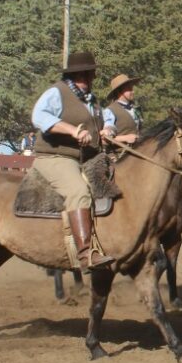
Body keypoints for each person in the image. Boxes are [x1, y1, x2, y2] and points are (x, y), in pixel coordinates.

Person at [30, 51, 117, 272]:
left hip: (87, 159)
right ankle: (86, 254)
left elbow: (108, 118)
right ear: (73, 75)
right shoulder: (57, 93)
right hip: (56, 156)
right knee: (78, 191)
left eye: (89, 74)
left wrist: (107, 129)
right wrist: (72, 130)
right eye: (82, 74)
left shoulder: (92, 101)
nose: (87, 79)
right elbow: (39, 116)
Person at [102, 74, 142, 146]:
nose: (133, 92)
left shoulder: (135, 109)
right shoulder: (110, 111)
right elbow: (106, 138)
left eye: (132, 89)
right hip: (120, 151)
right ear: (119, 91)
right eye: (129, 89)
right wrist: (125, 138)